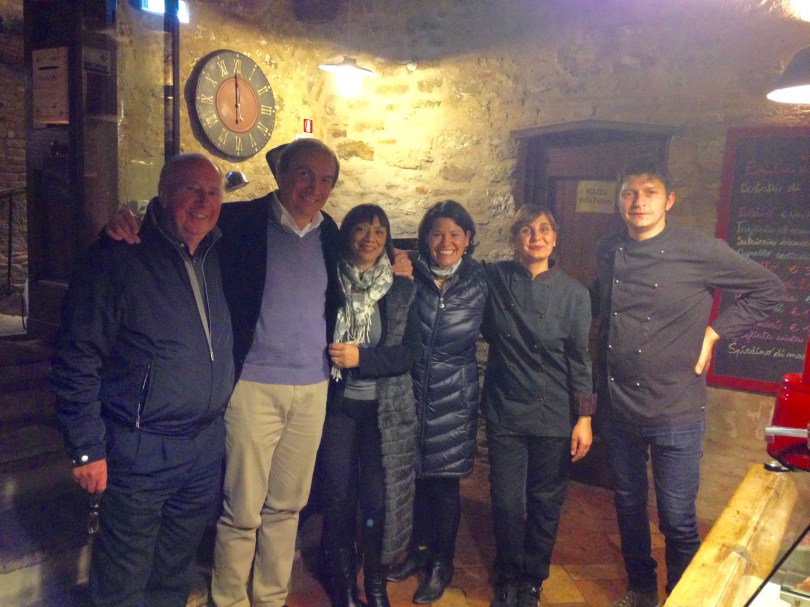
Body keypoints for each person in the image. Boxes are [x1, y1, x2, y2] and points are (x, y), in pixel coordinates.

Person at [107, 138, 343, 607]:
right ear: (281, 173)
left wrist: (398, 262)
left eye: (326, 180)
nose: (314, 188)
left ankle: (270, 598)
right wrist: (125, 219)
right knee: (242, 509)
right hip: (252, 386)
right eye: (304, 174)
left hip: (313, 387)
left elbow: (364, 260)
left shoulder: (331, 233)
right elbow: (177, 225)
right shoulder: (238, 221)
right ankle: (230, 600)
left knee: (288, 507)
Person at [590, 156, 786, 607]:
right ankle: (641, 588)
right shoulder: (608, 248)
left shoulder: (701, 250)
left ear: (669, 200)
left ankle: (683, 597)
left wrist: (714, 332)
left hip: (676, 410)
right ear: (619, 200)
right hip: (618, 407)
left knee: (677, 518)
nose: (638, 202)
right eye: (629, 193)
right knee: (628, 505)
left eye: (650, 193)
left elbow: (770, 290)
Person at [50, 153, 234, 606]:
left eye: (213, 192)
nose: (203, 202)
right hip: (140, 451)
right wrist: (86, 448)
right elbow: (77, 357)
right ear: (164, 194)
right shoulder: (117, 257)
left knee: (173, 575)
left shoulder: (217, 252)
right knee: (123, 580)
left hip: (203, 449)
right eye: (191, 190)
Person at [481, 205, 595, 607]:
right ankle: (507, 574)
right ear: (515, 239)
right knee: (507, 502)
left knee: (546, 503)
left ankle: (532, 579)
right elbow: (450, 262)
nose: (536, 236)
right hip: (505, 410)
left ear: (555, 237)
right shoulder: (495, 280)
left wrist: (584, 418)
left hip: (555, 413)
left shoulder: (575, 294)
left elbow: (580, 359)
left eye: (544, 229)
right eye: (527, 230)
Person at [319, 204, 422, 607]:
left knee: (378, 499)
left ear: (387, 238)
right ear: (347, 234)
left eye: (379, 231)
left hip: (384, 412)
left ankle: (376, 582)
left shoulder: (401, 290)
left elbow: (410, 353)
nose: (370, 238)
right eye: (361, 229)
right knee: (338, 495)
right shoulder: (329, 284)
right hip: (338, 407)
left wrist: (362, 358)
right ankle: (344, 582)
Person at [386, 200, 488, 605]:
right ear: (425, 238)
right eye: (437, 234)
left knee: (444, 485)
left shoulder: (481, 280)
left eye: (455, 234)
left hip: (455, 397)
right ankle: (418, 551)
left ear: (468, 238)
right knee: (413, 479)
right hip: (410, 391)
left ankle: (442, 564)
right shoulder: (410, 273)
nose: (446, 242)